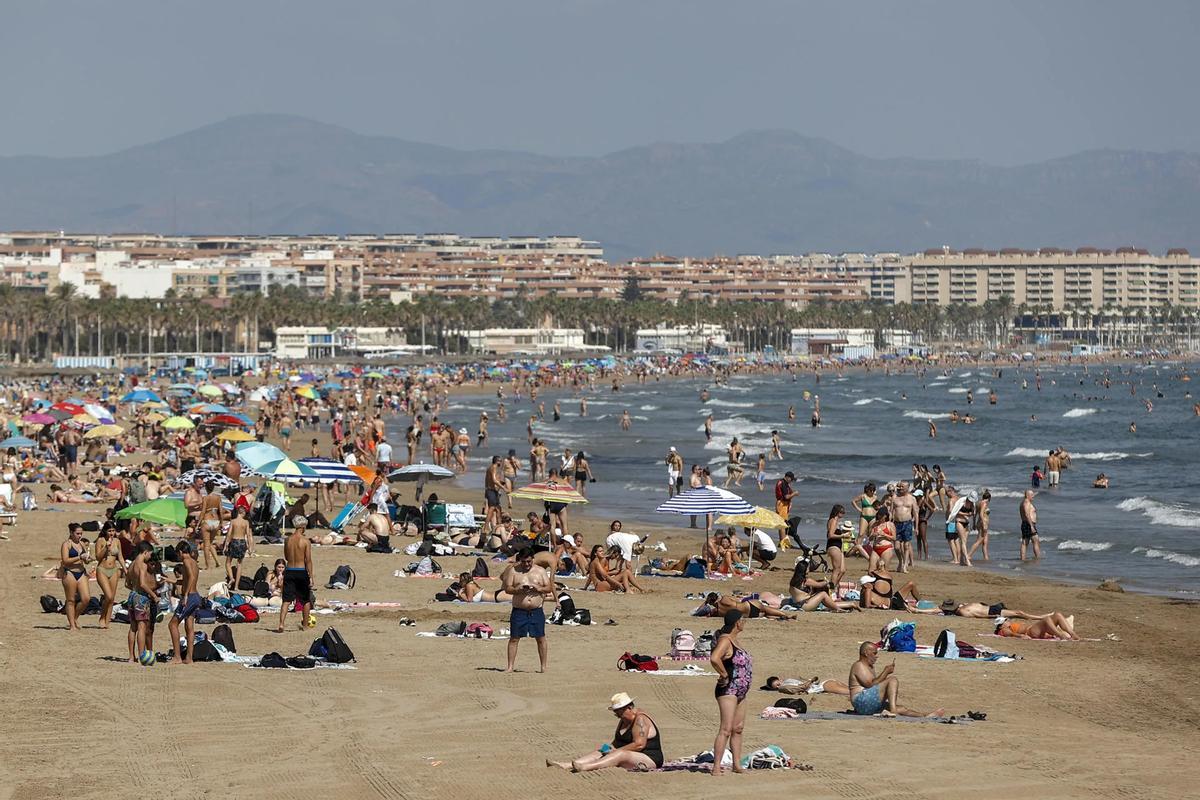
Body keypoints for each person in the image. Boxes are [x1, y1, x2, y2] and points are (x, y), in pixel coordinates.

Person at [547, 693, 664, 772]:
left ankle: (587, 767)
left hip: (650, 758)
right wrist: (607, 749)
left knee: (620, 754)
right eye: (616, 712)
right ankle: (569, 764)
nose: (617, 715)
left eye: (619, 712)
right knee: (604, 748)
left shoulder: (640, 720)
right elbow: (616, 742)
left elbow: (639, 744)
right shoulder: (624, 719)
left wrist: (616, 751)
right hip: (630, 754)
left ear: (629, 708)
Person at [849, 642, 942, 717]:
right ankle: (893, 711)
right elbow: (870, 684)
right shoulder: (859, 665)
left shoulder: (869, 667)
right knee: (892, 680)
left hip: (866, 703)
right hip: (861, 701)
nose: (876, 656)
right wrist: (886, 672)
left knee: (901, 708)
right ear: (866, 653)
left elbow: (875, 685)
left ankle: (925, 716)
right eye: (874, 653)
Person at [710, 609, 751, 776]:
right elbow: (714, 658)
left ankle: (736, 764)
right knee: (725, 729)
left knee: (738, 728)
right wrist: (724, 674)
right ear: (737, 623)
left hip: (741, 690)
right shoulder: (725, 640)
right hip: (728, 689)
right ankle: (716, 767)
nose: (744, 622)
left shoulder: (735, 640)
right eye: (743, 620)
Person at [501, 548, 555, 672]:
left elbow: (549, 587)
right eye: (524, 562)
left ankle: (543, 667)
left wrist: (538, 588)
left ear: (533, 560)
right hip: (519, 610)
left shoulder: (540, 571)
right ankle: (510, 667)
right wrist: (518, 589)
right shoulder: (514, 571)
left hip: (536, 610)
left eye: (529, 562)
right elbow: (507, 588)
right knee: (514, 638)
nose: (526, 564)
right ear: (520, 560)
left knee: (540, 638)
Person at [277, 515, 314, 632]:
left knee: (286, 600)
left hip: (290, 570)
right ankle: (305, 625)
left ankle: (281, 624)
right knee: (305, 600)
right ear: (302, 527)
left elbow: (287, 557)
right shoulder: (305, 541)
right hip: (301, 571)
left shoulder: (287, 540)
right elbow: (308, 560)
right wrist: (311, 576)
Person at [168, 541, 202, 664]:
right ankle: (189, 658)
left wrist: (186, 595)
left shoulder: (186, 561)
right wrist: (171, 580)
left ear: (181, 552)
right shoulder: (194, 562)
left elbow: (191, 578)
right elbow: (188, 579)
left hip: (190, 597)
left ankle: (177, 656)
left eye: (178, 553)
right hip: (196, 596)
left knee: (172, 624)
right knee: (189, 627)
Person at [60, 523, 92, 631]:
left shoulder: (82, 544)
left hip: (81, 572)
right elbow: (65, 560)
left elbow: (85, 561)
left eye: (81, 533)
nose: (79, 536)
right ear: (71, 533)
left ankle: (75, 617)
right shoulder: (66, 544)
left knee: (86, 598)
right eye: (77, 533)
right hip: (69, 572)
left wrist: (87, 559)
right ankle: (72, 625)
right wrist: (79, 557)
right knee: (71, 600)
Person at [93, 523, 124, 629]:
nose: (111, 533)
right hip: (102, 569)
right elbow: (98, 557)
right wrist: (106, 547)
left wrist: (125, 569)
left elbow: (120, 557)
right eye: (109, 531)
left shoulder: (117, 541)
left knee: (112, 598)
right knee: (108, 596)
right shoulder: (100, 540)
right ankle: (102, 617)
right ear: (105, 531)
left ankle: (107, 620)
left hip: (114, 570)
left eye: (113, 531)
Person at [222, 506, 252, 589]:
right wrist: (250, 547)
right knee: (239, 564)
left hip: (234, 541)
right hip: (242, 542)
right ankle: (236, 586)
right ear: (243, 513)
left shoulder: (233, 521)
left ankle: (231, 578)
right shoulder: (246, 522)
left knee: (228, 562)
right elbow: (248, 535)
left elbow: (229, 534)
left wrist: (226, 545)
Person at [891, 482, 917, 573]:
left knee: (906, 545)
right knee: (897, 547)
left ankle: (905, 565)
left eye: (902, 486)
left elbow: (915, 513)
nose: (900, 488)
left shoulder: (912, 498)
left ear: (907, 487)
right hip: (896, 523)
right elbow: (891, 512)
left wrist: (916, 527)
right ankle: (900, 561)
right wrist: (890, 524)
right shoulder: (895, 497)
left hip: (907, 523)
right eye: (899, 486)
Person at [996, 613, 1080, 641]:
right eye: (1005, 620)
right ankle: (1060, 635)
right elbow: (1010, 634)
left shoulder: (1009, 626)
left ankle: (1072, 634)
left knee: (1057, 615)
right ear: (1001, 626)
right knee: (1047, 619)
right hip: (1030, 632)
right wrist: (1021, 636)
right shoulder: (1003, 630)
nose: (1008, 621)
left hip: (1036, 630)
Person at [761, 675, 850, 696]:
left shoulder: (786, 684)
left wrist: (811, 681)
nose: (778, 686)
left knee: (852, 691)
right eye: (776, 687)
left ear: (780, 680)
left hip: (822, 686)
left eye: (778, 684)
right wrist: (811, 680)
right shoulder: (785, 686)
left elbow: (802, 687)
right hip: (823, 685)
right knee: (853, 690)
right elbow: (802, 687)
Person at [967, 490, 991, 561]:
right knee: (979, 540)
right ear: (989, 498)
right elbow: (980, 514)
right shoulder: (984, 503)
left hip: (979, 523)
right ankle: (968, 555)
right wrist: (984, 523)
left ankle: (986, 558)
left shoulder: (978, 503)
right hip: (983, 523)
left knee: (985, 542)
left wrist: (974, 523)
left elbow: (975, 514)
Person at [1020, 489, 1041, 561]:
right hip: (1029, 524)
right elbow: (1027, 514)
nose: (1033, 496)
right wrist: (1031, 526)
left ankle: (1023, 560)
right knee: (1035, 541)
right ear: (1027, 496)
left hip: (1026, 523)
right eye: (1031, 495)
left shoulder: (1024, 502)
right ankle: (1038, 559)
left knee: (1025, 542)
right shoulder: (1027, 503)